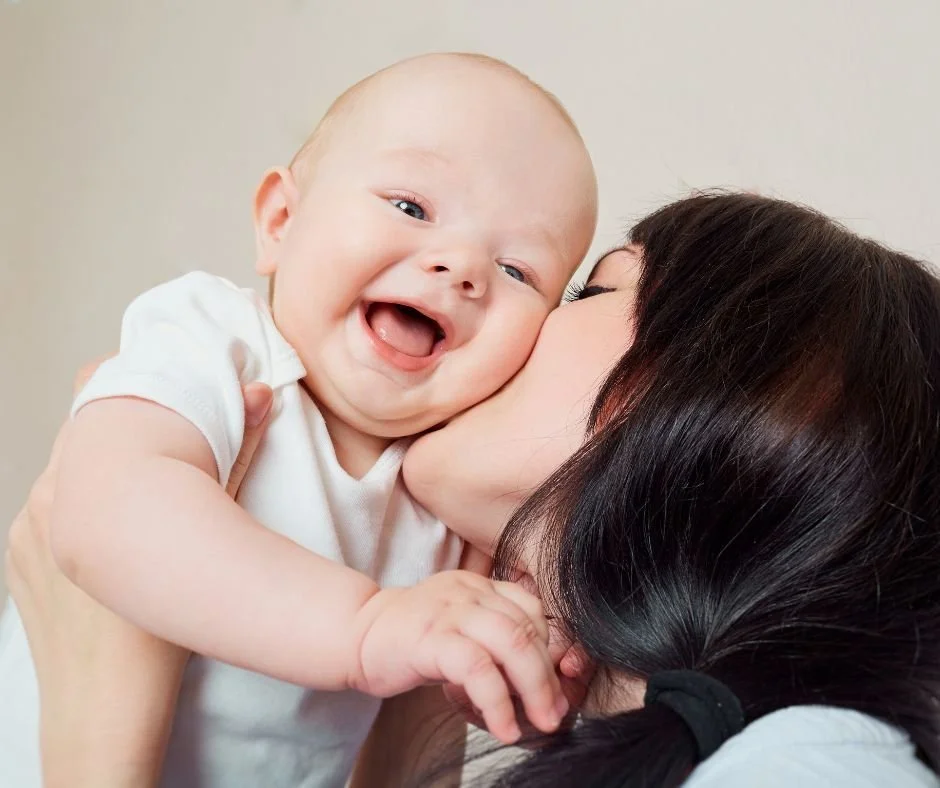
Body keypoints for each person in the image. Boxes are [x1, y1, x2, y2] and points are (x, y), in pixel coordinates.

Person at [8, 193, 940, 787]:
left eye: (581, 292)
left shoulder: (820, 766)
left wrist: (101, 713)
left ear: (725, 406)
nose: (501, 315)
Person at [0, 51, 597, 788]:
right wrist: (366, 625)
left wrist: (508, 676)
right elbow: (102, 513)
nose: (462, 266)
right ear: (281, 220)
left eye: (517, 271)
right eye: (410, 207)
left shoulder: (445, 496)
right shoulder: (216, 344)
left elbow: (419, 739)